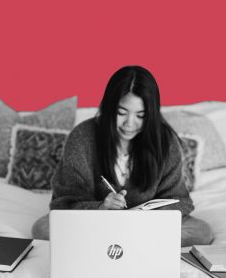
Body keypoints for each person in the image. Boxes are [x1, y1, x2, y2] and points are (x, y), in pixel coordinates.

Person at [32, 65, 214, 246]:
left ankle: (111, 242)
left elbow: (179, 200)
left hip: (146, 225)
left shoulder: (164, 141)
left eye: (141, 115)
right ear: (109, 107)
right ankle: (128, 243)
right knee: (42, 229)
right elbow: (64, 202)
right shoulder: (82, 137)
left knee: (201, 232)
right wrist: (101, 207)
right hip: (94, 221)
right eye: (121, 113)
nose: (129, 123)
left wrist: (145, 217)